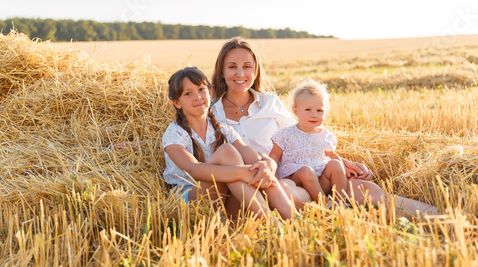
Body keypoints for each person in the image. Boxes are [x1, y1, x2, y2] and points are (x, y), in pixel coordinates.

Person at [211, 37, 438, 218]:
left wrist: (343, 162)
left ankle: (444, 218)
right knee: (287, 192)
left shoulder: (269, 102)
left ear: (256, 70)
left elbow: (302, 134)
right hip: (266, 184)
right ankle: (332, 213)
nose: (240, 74)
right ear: (222, 71)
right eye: (232, 67)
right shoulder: (211, 112)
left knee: (367, 190)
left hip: (299, 175)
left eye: (247, 66)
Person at [162, 66, 296, 220]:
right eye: (188, 93)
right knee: (227, 151)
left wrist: (268, 165)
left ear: (210, 93)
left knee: (245, 156)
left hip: (227, 202)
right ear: (177, 103)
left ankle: (292, 217)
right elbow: (193, 170)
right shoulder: (174, 134)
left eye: (201, 89)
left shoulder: (222, 129)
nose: (197, 97)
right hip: (191, 203)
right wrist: (242, 173)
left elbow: (248, 153)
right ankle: (270, 221)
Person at [269, 80, 354, 207]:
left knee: (335, 164)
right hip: (298, 181)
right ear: (295, 111)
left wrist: (344, 168)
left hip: (319, 182)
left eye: (319, 110)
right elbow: (274, 157)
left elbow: (332, 155)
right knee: (306, 171)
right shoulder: (286, 134)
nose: (314, 115)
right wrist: (273, 176)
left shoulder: (325, 136)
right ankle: (326, 204)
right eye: (308, 110)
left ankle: (340, 203)